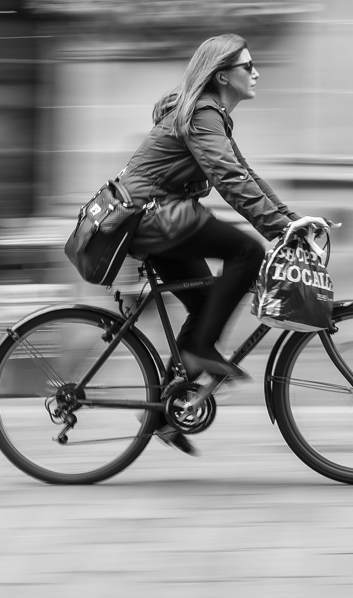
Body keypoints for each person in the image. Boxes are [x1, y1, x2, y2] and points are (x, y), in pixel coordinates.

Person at [117, 33, 328, 454]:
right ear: (222, 75)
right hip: (153, 218)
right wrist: (273, 233)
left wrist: (292, 223)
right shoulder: (200, 113)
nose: (256, 73)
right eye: (247, 66)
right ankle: (198, 353)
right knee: (247, 252)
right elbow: (230, 181)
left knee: (208, 305)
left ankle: (160, 413)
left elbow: (246, 175)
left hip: (159, 222)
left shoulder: (211, 116)